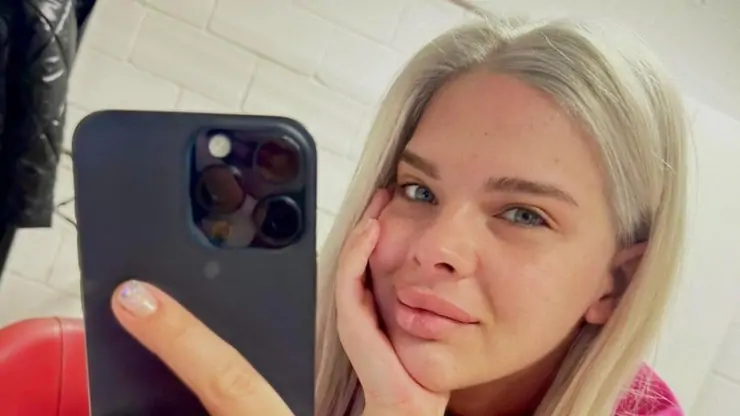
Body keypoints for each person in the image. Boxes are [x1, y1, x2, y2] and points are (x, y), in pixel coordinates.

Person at [111, 13, 688, 416]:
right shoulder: (264, 366)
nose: (437, 247)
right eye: (418, 191)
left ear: (617, 283)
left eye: (523, 215)